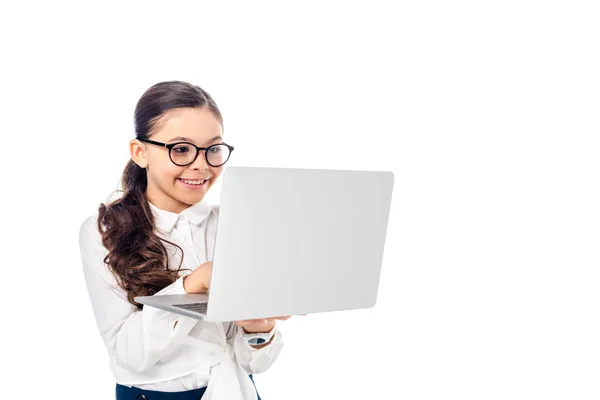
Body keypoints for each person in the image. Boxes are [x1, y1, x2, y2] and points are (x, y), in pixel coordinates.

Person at [79, 81, 291, 400]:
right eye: (180, 149)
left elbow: (253, 363)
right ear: (140, 152)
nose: (201, 165)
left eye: (213, 149)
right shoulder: (104, 231)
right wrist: (191, 285)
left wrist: (257, 327)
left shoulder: (236, 223)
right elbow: (130, 354)